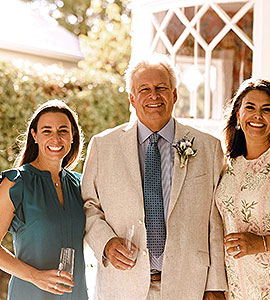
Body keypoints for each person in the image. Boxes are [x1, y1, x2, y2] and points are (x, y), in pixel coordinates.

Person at [81, 54, 227, 300]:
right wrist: (105, 243)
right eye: (144, 89)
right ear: (132, 99)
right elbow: (88, 206)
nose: (154, 96)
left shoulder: (208, 148)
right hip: (122, 285)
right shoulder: (103, 146)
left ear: (175, 94)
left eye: (161, 88)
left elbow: (216, 220)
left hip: (189, 285)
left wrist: (215, 285)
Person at [215, 78, 270, 300]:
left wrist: (262, 243)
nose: (257, 116)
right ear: (237, 116)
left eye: (266, 109)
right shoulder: (228, 164)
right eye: (250, 107)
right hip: (238, 290)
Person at [0, 100, 88, 299]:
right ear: (34, 135)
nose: (55, 139)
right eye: (47, 131)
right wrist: (36, 277)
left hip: (75, 293)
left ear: (73, 136)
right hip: (31, 294)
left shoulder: (81, 185)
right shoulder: (16, 183)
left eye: (63, 131)